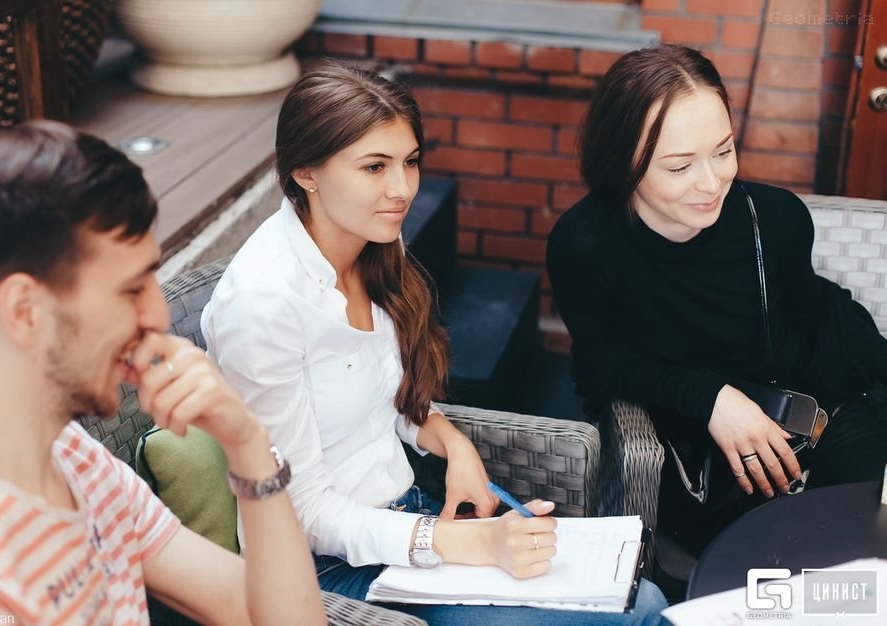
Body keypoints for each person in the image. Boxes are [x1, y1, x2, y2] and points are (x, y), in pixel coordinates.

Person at [200, 62, 666, 625]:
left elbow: (387, 396)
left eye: (411, 161)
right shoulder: (263, 307)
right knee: (636, 616)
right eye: (374, 167)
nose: (402, 190)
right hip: (329, 569)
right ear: (306, 173)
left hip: (411, 517)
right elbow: (298, 513)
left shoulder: (372, 240)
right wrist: (467, 544)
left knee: (645, 598)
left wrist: (454, 444)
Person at [0, 121, 326, 625]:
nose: (158, 317)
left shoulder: (73, 458)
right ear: (24, 310)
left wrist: (249, 443)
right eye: (130, 290)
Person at [546, 44, 887, 554]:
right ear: (623, 163)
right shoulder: (585, 246)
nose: (712, 183)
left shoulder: (777, 220)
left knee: (862, 567)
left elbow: (823, 325)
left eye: (724, 151)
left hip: (826, 413)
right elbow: (602, 368)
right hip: (713, 462)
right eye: (680, 167)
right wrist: (711, 397)